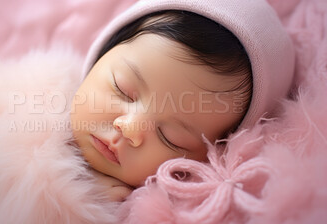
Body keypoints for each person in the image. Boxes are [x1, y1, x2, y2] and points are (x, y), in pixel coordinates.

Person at [70, 0, 295, 201]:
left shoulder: (162, 209)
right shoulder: (38, 98)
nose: (129, 128)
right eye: (123, 90)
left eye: (169, 138)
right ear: (103, 54)